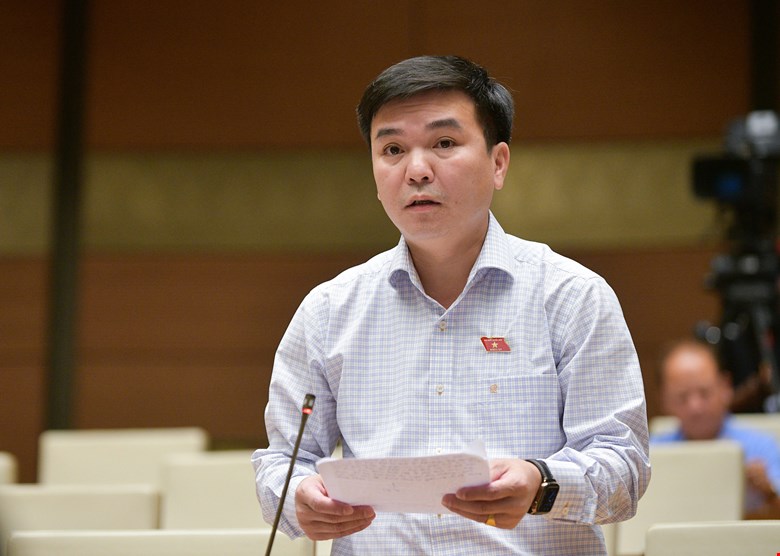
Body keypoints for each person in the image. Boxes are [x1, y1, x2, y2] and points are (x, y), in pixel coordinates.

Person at [252, 55, 650, 555]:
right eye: (392, 149)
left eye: (444, 143)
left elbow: (624, 465)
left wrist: (542, 483)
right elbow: (283, 462)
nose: (417, 170)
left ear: (498, 163)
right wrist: (298, 498)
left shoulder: (571, 296)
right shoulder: (328, 311)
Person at [653, 338, 780, 518]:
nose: (695, 407)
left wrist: (768, 492)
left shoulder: (761, 448)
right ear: (663, 399)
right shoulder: (651, 456)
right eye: (682, 396)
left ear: (725, 386)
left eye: (704, 393)